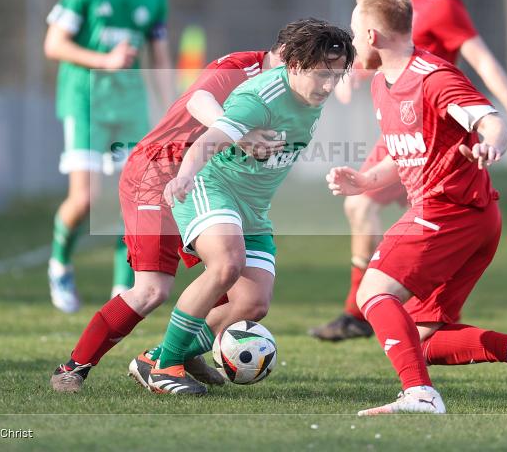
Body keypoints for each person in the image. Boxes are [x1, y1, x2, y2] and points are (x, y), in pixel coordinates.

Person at [310, 0, 507, 341]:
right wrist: (347, 76)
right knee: (361, 205)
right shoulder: (384, 6)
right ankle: (369, 312)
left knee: (410, 220)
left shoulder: (441, 5)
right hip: (403, 131)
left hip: (436, 133)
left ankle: (383, 313)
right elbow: (372, 57)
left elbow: (482, 59)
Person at [327, 0, 507, 415]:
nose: (353, 44)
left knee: (374, 293)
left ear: (372, 36)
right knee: (418, 339)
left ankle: (420, 395)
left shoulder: (433, 78)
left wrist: (491, 145)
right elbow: (404, 151)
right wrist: (365, 180)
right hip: (472, 218)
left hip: (449, 211)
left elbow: (492, 122)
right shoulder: (382, 84)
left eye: (354, 35)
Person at [49, 21, 311, 393]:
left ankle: (170, 356)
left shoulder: (290, 92)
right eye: (302, 67)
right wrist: (241, 135)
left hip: (209, 180)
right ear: (284, 56)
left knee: (245, 294)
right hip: (159, 170)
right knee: (151, 290)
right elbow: (197, 100)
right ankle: (73, 368)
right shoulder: (240, 68)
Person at [143, 20, 355, 395]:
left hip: (253, 210)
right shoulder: (261, 96)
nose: (328, 86)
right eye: (322, 75)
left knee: (252, 304)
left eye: (336, 77)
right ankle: (166, 368)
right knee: (227, 264)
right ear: (294, 65)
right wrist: (185, 175)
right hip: (211, 187)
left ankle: (156, 356)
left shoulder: (311, 99)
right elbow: (208, 140)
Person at [43, 0, 173, 313]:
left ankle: (121, 292)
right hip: (85, 101)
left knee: (130, 203)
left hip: (129, 106)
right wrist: (105, 60)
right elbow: (53, 44)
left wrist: (173, 114)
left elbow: (160, 57)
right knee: (85, 199)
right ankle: (60, 264)